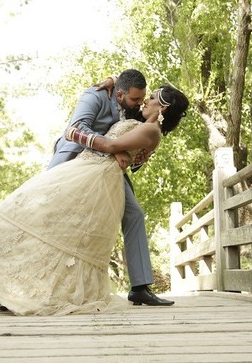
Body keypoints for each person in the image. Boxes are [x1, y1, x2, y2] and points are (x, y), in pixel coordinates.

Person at [0, 84, 189, 316]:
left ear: (163, 107)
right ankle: (15, 287)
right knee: (50, 223)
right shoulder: (136, 118)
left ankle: (23, 291)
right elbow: (118, 141)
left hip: (96, 176)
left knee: (65, 232)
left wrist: (74, 134)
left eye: (152, 98)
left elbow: (112, 145)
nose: (145, 100)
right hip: (88, 170)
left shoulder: (150, 129)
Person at [49, 69, 177, 306]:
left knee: (135, 214)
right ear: (119, 94)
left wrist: (138, 156)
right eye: (136, 100)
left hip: (107, 169)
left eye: (144, 99)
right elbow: (75, 129)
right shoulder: (95, 95)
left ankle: (140, 286)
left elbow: (135, 144)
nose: (140, 104)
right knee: (51, 215)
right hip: (75, 159)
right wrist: (113, 147)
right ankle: (25, 288)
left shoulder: (134, 108)